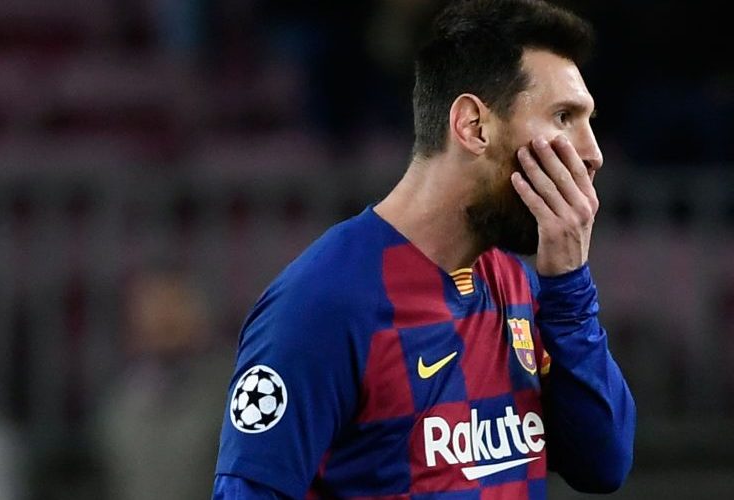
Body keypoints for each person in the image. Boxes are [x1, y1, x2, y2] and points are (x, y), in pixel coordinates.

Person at [213, 0, 636, 498]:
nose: (592, 153)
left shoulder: (518, 286)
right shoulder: (323, 304)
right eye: (564, 117)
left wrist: (569, 290)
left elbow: (603, 465)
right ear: (473, 126)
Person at [97, 269, 233, 500]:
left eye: (176, 304)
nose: (164, 316)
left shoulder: (232, 390)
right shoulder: (118, 402)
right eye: (154, 305)